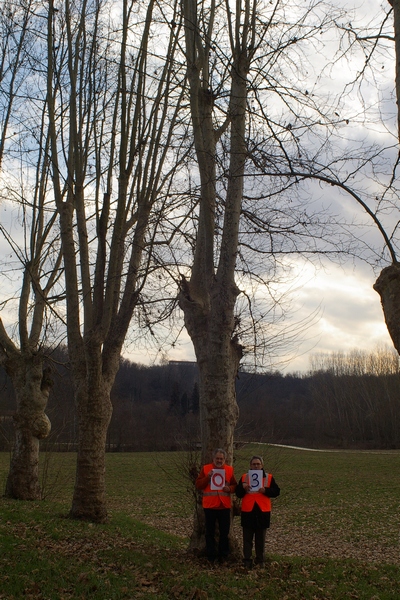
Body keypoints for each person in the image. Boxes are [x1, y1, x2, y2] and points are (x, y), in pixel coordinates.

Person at [236, 455, 280, 568]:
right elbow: (238, 494)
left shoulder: (269, 477)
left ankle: (260, 561)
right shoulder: (245, 477)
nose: (256, 466)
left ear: (262, 465)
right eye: (254, 464)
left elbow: (276, 491)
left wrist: (266, 491)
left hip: (262, 512)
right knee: (247, 539)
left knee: (260, 539)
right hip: (248, 511)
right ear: (250, 465)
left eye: (258, 464)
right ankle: (247, 561)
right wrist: (243, 488)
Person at [195, 448, 237, 564]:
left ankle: (224, 556)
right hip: (210, 506)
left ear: (225, 459)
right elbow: (198, 485)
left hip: (224, 506)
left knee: (224, 533)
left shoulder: (229, 470)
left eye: (221, 459)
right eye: (217, 458)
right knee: (209, 533)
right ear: (213, 459)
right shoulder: (206, 469)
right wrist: (207, 477)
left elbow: (234, 485)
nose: (219, 460)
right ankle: (211, 556)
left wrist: (230, 489)